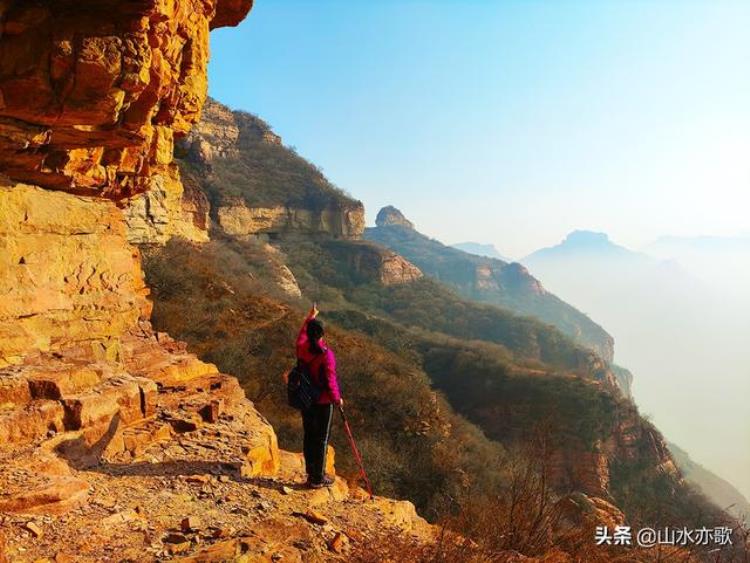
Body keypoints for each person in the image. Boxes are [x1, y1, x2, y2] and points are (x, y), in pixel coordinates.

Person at [295, 304, 342, 488]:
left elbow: (301, 335)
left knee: (309, 435)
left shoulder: (302, 348)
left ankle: (311, 473)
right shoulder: (326, 355)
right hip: (323, 401)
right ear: (322, 335)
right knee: (322, 438)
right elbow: (331, 381)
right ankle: (318, 477)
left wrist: (310, 317)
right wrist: (337, 399)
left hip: (306, 399)